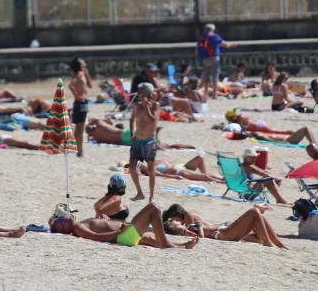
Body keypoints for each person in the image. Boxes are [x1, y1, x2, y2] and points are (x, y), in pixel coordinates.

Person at [54, 202, 197, 249]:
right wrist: (118, 232)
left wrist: (105, 220)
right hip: (122, 235)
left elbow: (98, 229)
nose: (64, 222)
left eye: (62, 220)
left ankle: (181, 246)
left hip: (125, 235)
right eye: (61, 222)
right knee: (153, 208)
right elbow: (96, 237)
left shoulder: (80, 224)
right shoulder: (78, 227)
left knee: (150, 239)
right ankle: (167, 244)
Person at [162, 203, 286, 248]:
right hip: (222, 233)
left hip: (224, 229)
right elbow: (200, 236)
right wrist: (197, 227)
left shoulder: (188, 222)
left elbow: (199, 233)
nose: (172, 221)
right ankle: (269, 242)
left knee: (258, 218)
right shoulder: (187, 228)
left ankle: (277, 243)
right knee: (254, 213)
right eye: (171, 222)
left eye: (171, 220)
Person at [128, 82, 159, 201]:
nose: (139, 94)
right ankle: (139, 192)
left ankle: (151, 196)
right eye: (139, 91)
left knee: (151, 169)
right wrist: (131, 134)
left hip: (149, 142)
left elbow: (153, 119)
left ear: (148, 93)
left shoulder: (155, 105)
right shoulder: (137, 106)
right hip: (137, 140)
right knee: (132, 167)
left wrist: (146, 106)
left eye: (141, 91)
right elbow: (131, 120)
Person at [224, 110, 317, 144]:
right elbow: (268, 139)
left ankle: (314, 144)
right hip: (287, 140)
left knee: (278, 132)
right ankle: (315, 145)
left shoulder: (241, 119)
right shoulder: (256, 133)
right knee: (305, 128)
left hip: (285, 138)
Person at [197, 23, 235, 99]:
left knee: (206, 76)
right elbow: (224, 44)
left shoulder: (202, 37)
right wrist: (232, 45)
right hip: (214, 58)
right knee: (215, 76)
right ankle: (214, 95)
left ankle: (205, 94)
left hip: (205, 58)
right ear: (213, 29)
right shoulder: (214, 36)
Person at [133, 155, 225, 184]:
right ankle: (222, 180)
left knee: (199, 158)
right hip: (180, 171)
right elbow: (162, 175)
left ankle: (219, 178)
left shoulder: (152, 163)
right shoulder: (149, 171)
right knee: (205, 176)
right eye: (141, 164)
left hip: (182, 166)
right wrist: (175, 177)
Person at [69, 58, 93, 158]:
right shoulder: (79, 74)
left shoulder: (82, 73)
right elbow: (70, 85)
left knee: (79, 128)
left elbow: (90, 86)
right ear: (79, 65)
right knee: (80, 128)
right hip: (81, 102)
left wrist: (87, 74)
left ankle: (79, 151)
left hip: (83, 102)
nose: (85, 63)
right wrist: (77, 95)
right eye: (83, 63)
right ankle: (80, 151)